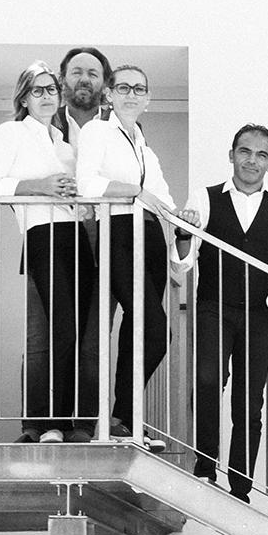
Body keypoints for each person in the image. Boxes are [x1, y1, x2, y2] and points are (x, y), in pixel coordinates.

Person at [183, 124, 268, 495]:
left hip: (259, 315)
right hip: (213, 305)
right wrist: (183, 235)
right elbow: (184, 262)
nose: (251, 160)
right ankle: (205, 465)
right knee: (207, 380)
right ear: (232, 154)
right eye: (245, 151)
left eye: (261, 154)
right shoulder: (204, 198)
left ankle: (240, 482)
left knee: (250, 397)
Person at [0, 64, 96, 443]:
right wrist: (42, 187)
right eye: (37, 91)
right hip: (42, 234)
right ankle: (48, 422)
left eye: (51, 89)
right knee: (57, 331)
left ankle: (64, 421)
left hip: (75, 236)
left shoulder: (65, 142)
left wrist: (80, 203)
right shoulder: (11, 132)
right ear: (24, 98)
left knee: (75, 332)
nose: (46, 96)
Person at [73, 62, 179, 441]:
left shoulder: (144, 148)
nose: (131, 94)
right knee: (155, 330)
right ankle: (118, 415)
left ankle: (126, 423)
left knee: (139, 331)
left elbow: (163, 197)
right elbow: (88, 182)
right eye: (124, 88)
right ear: (110, 94)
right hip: (118, 232)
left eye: (139, 89)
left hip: (151, 237)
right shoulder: (97, 131)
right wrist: (136, 193)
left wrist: (184, 216)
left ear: (147, 98)